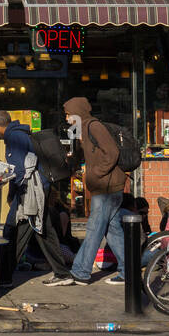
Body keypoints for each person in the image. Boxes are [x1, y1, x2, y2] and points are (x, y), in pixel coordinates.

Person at [0, 110, 75, 284]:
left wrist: (12, 193)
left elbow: (19, 171)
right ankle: (62, 273)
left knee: (16, 229)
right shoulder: (22, 133)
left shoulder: (14, 137)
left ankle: (4, 277)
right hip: (39, 186)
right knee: (43, 230)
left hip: (30, 190)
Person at [52, 97, 128, 286]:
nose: (68, 119)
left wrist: (95, 174)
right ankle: (130, 270)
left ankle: (81, 271)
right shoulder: (84, 129)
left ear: (78, 113)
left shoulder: (94, 126)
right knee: (114, 231)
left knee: (94, 229)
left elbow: (112, 152)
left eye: (69, 115)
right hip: (106, 186)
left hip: (106, 187)